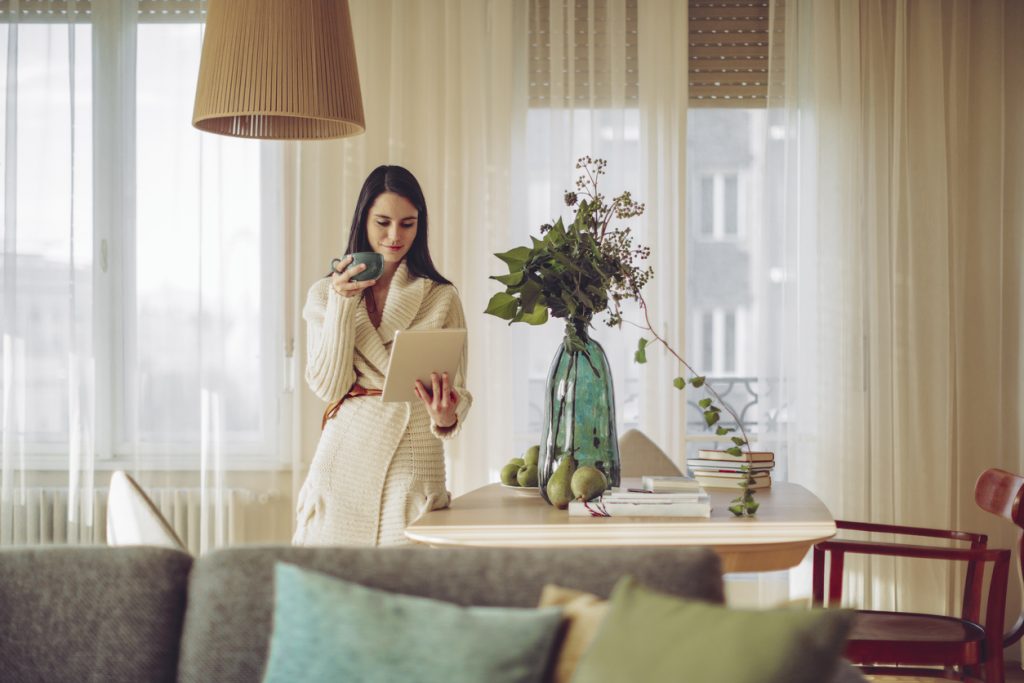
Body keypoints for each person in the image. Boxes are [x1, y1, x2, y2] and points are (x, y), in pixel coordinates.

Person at [293, 165, 471, 547]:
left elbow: (458, 389)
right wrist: (344, 302)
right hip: (344, 457)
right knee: (332, 587)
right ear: (363, 221)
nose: (395, 236)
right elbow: (329, 386)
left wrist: (446, 415)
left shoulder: (441, 296)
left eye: (407, 224)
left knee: (409, 587)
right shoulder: (325, 294)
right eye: (383, 222)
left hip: (412, 455)